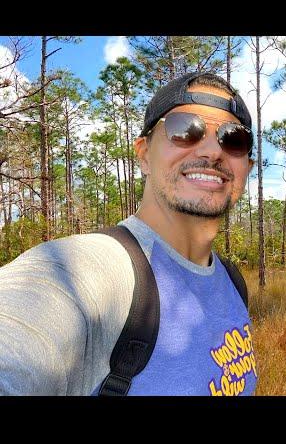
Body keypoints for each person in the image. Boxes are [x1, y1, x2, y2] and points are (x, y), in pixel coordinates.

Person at [0, 72, 257, 396]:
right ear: (144, 153)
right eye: (184, 129)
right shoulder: (88, 270)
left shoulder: (233, 284)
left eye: (233, 138)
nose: (212, 150)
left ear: (246, 167)